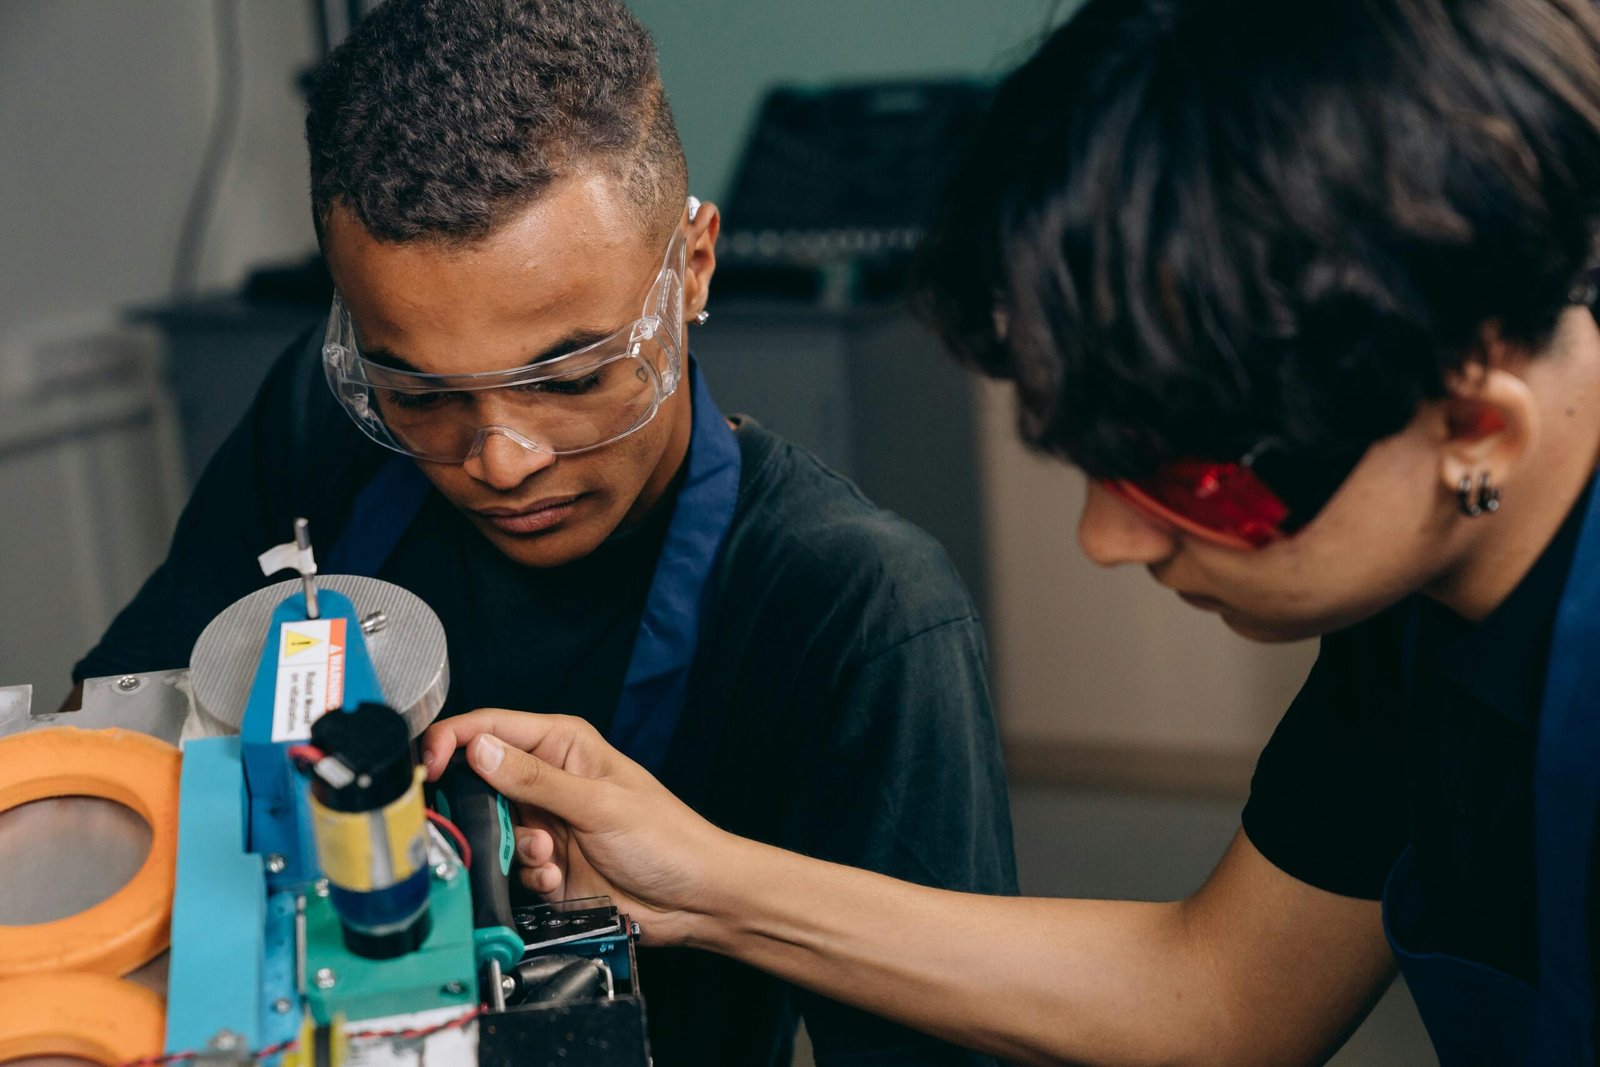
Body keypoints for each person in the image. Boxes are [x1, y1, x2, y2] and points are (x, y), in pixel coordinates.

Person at [419, 0, 1600, 1062]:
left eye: (1184, 479)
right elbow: (1223, 997)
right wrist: (701, 880)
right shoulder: (1422, 602)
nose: (1104, 538)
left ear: (1472, 427)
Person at [71, 2, 1016, 1063]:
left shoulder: (860, 610)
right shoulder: (323, 422)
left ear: (693, 268)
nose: (499, 458)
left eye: (567, 378)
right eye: (420, 392)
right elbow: (117, 740)